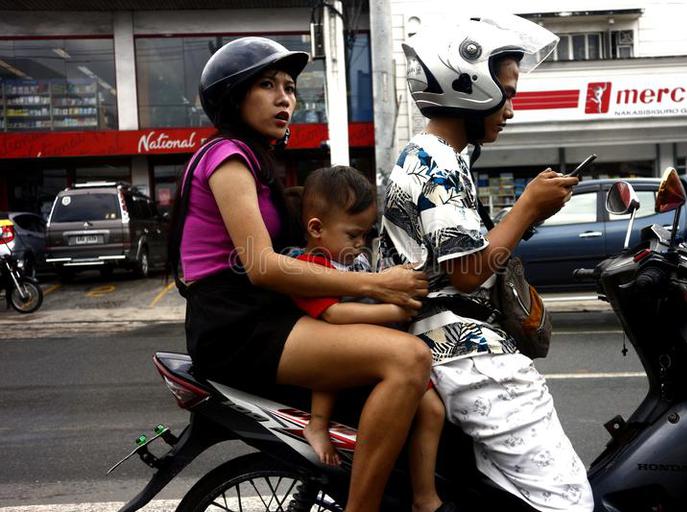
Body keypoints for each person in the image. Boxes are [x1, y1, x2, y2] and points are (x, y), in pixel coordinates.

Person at [168, 37, 433, 512]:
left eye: (289, 87)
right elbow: (263, 264)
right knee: (408, 358)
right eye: (266, 85)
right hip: (238, 326)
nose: (284, 98)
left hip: (264, 317)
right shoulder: (227, 157)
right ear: (232, 97)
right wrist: (375, 283)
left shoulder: (261, 164)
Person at [378, 16, 594, 512]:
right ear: (470, 86)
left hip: (456, 351)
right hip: (466, 355)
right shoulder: (434, 162)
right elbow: (470, 272)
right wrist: (527, 207)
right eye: (508, 95)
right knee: (569, 502)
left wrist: (532, 211)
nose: (511, 112)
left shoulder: (443, 158)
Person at [289, 165, 449, 512]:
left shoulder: (355, 260)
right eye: (353, 235)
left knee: (434, 409)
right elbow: (334, 314)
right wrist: (394, 311)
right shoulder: (312, 266)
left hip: (372, 345)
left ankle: (424, 497)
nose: (361, 243)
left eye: (365, 235)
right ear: (316, 229)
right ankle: (318, 426)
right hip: (331, 351)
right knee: (328, 365)